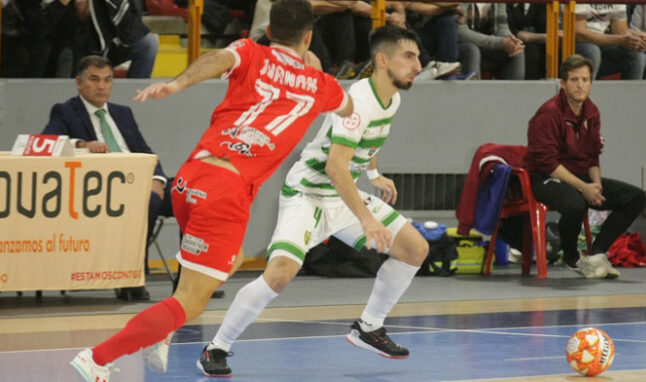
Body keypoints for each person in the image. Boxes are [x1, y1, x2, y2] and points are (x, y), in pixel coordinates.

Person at [69, 1, 353, 381]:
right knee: (190, 301)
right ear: (309, 36)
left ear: (268, 32)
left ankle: (161, 329)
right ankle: (98, 359)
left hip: (191, 176)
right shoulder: (321, 85)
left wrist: (175, 84)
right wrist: (310, 67)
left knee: (229, 260)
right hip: (227, 192)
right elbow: (350, 106)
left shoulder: (250, 51)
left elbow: (217, 58)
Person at [198, 25, 428, 377]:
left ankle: (369, 327)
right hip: (308, 193)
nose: (418, 64)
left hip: (343, 194)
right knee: (279, 276)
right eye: (409, 56)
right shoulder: (360, 101)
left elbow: (364, 146)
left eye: (417, 57)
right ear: (383, 60)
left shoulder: (391, 98)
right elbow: (335, 167)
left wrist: (374, 173)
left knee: (415, 249)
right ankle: (217, 347)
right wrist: (367, 219)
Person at [42, 55, 170, 300]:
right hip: (101, 192)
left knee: (192, 195)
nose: (102, 86)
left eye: (107, 80)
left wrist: (157, 179)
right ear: (79, 83)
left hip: (139, 181)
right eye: (94, 79)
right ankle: (134, 276)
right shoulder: (66, 111)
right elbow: (48, 142)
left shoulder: (123, 113)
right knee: (150, 202)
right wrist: (82, 144)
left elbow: (145, 151)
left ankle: (189, 281)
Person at [524, 55, 646, 279]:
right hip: (545, 177)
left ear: (591, 82)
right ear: (563, 83)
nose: (580, 85)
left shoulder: (592, 111)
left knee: (635, 197)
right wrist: (584, 188)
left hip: (580, 177)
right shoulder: (549, 113)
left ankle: (597, 254)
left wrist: (596, 186)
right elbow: (548, 163)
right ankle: (572, 258)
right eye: (574, 80)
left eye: (585, 79)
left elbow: (592, 157)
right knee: (576, 204)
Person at [75, 0, 159, 78]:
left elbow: (133, 23)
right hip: (84, 39)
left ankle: (137, 92)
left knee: (148, 43)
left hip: (113, 39)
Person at [574, 3, 646, 80]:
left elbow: (620, 33)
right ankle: (587, 90)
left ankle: (631, 92)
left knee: (636, 56)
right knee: (592, 50)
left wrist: (635, 42)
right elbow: (580, 34)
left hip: (603, 44)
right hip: (574, 44)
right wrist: (619, 40)